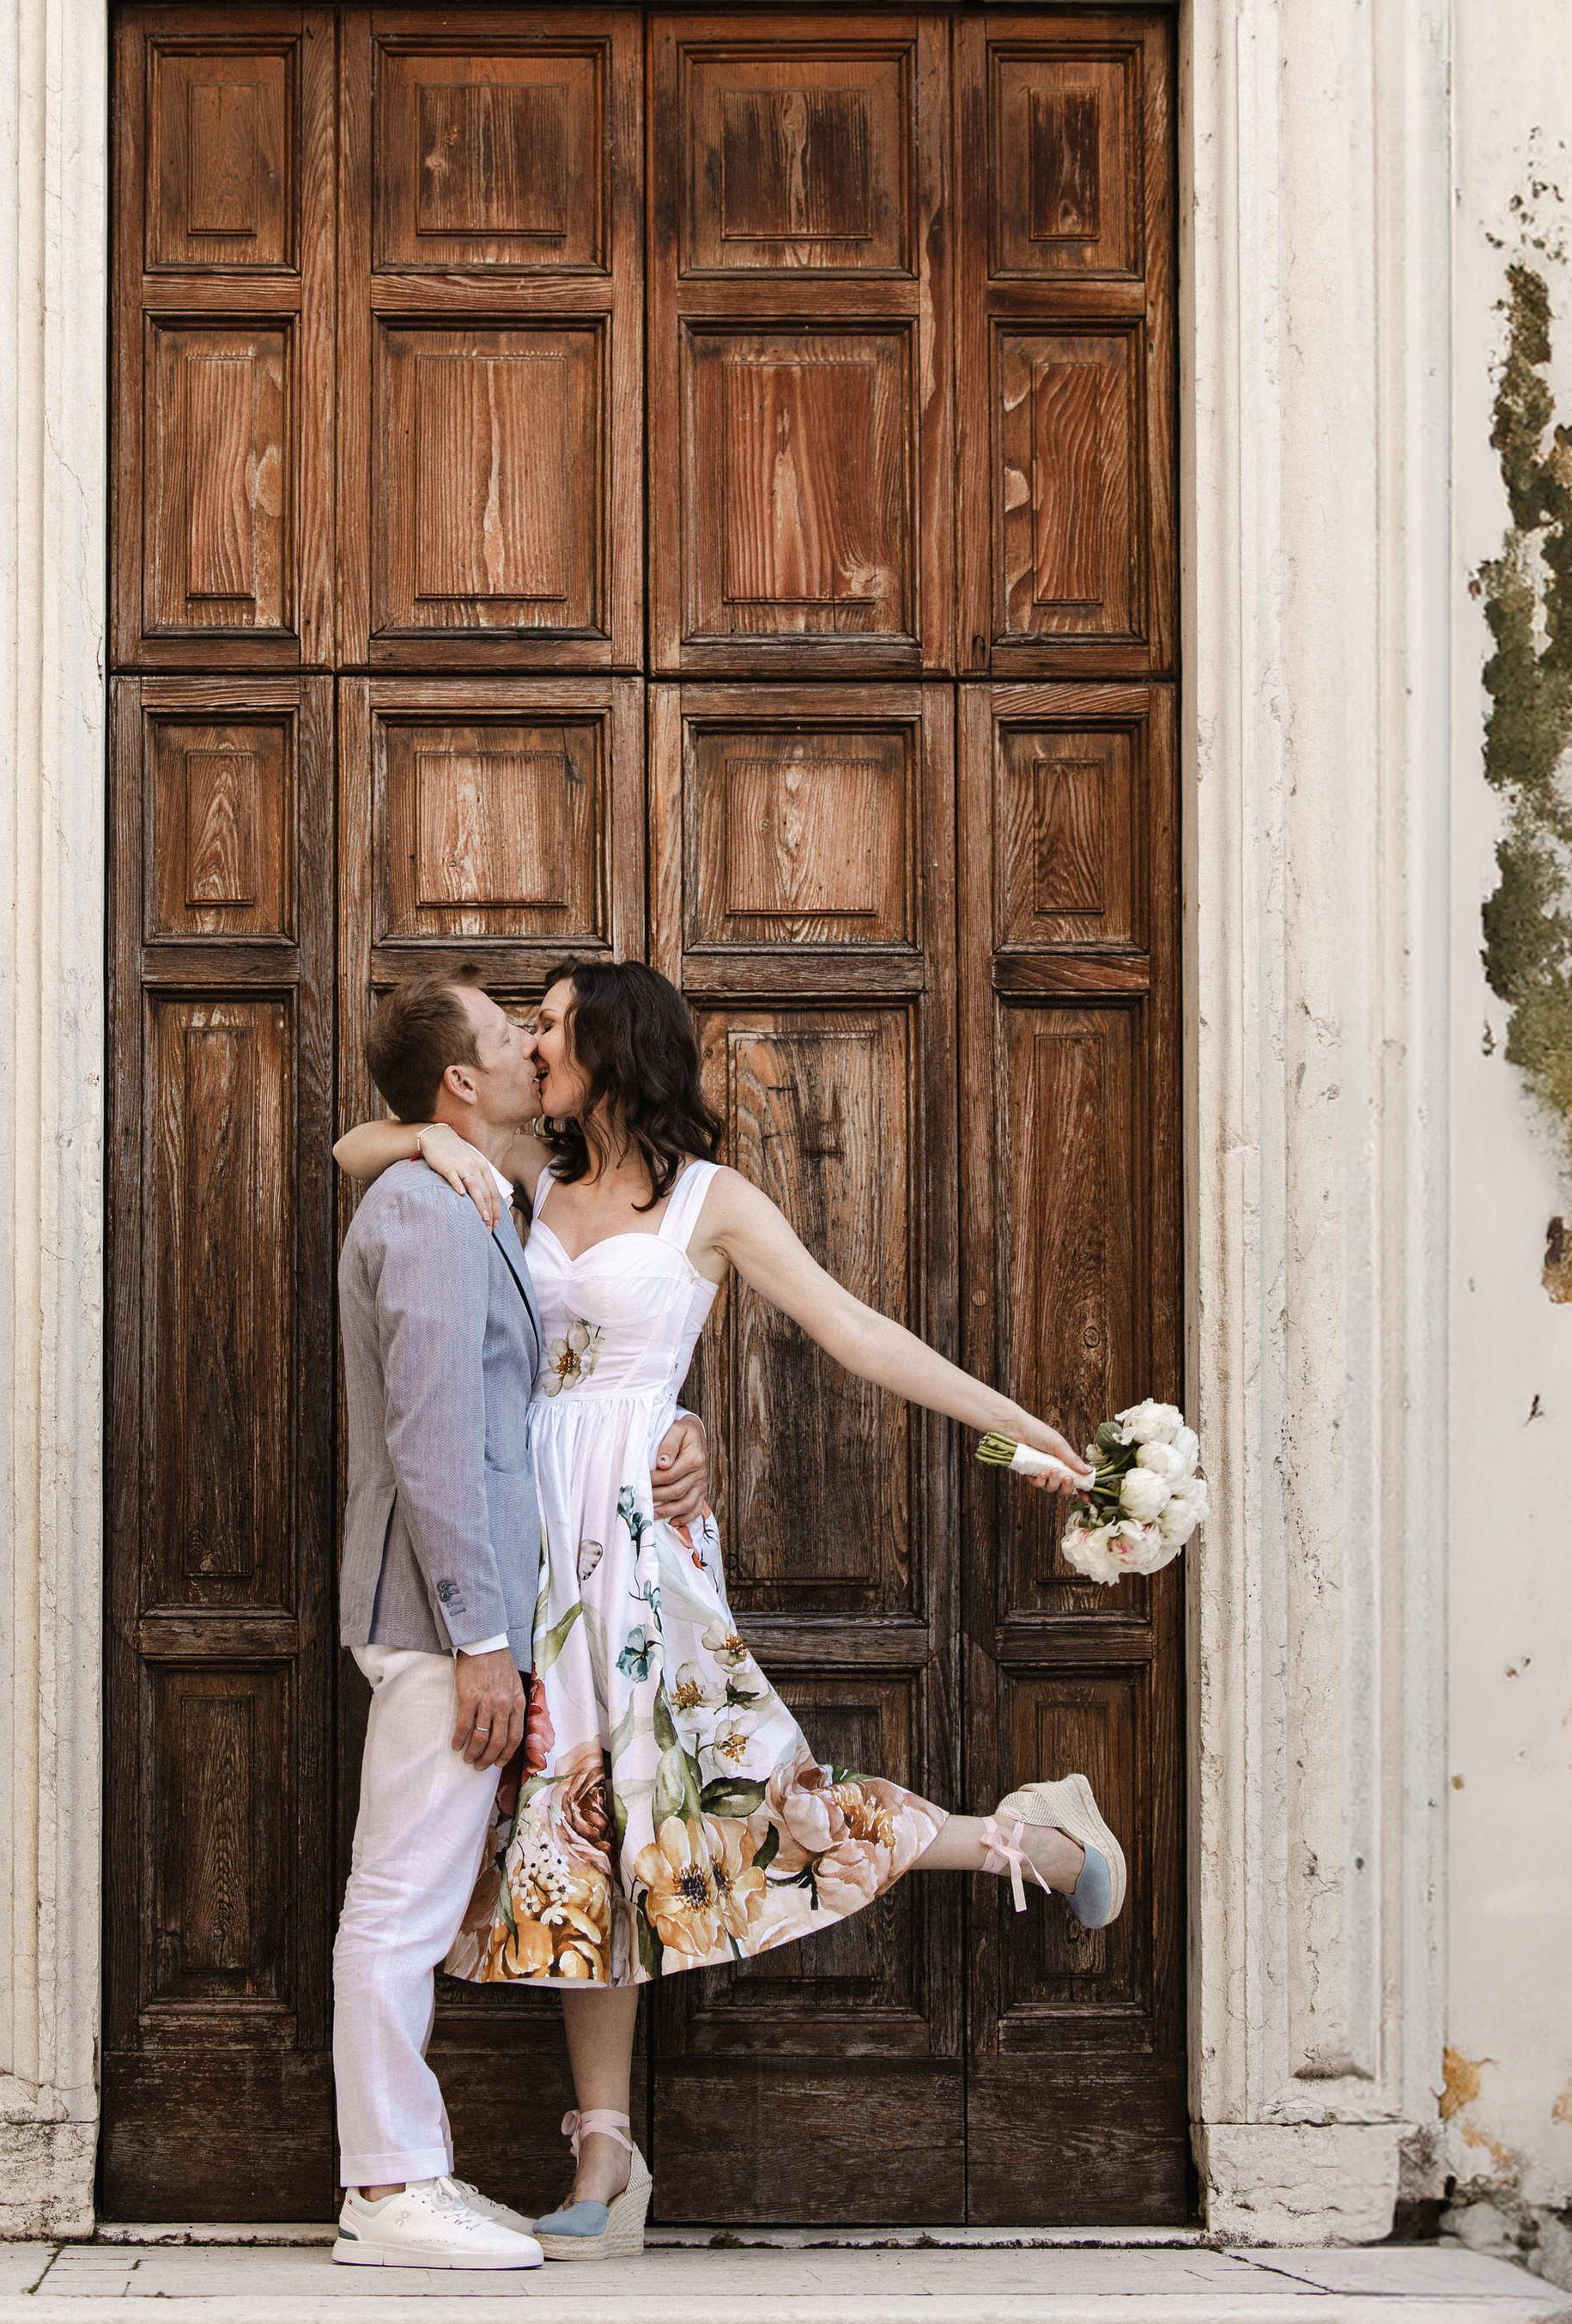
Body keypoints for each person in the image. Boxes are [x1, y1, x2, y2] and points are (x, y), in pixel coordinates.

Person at [332, 956, 1128, 2262]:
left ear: (611, 1051)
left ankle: (1026, 1838)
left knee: (752, 1801)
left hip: (640, 1554)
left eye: (555, 1028)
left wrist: (1023, 1440)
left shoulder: (712, 1202)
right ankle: (604, 2158)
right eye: (521, 1032)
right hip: (530, 1549)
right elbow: (354, 1145)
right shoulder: (520, 1174)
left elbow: (860, 1334)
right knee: (585, 1834)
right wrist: (426, 1126)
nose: (535, 1046)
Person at [328, 967, 713, 2272]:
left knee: (411, 1897)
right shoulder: (436, 1217)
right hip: (450, 1621)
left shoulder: (471, 1191)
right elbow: (440, 1444)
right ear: (460, 1080)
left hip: (468, 1613)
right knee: (399, 1905)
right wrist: (481, 1640)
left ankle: (403, 2175)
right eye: (508, 1038)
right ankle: (389, 2188)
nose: (529, 1053)